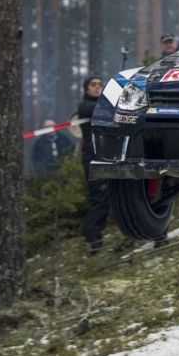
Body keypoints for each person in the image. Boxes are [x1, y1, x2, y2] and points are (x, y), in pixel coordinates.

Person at [78, 76, 110, 254]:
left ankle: (95, 237)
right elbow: (100, 108)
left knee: (106, 199)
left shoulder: (103, 105)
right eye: (93, 85)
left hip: (105, 156)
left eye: (100, 85)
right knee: (98, 198)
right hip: (92, 158)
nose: (97, 88)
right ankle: (90, 233)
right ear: (86, 89)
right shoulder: (85, 106)